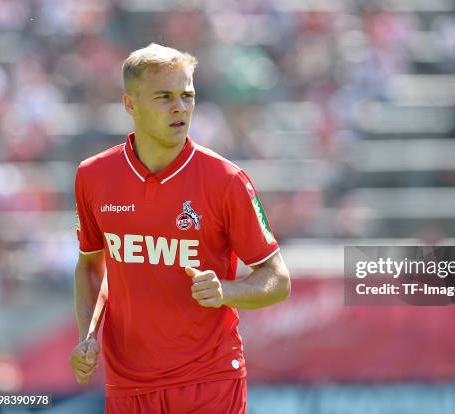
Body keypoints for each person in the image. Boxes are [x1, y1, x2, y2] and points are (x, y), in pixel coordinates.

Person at [69, 43, 291, 414]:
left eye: (187, 96)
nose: (180, 107)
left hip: (209, 380)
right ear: (130, 105)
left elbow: (278, 280)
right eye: (164, 97)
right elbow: (92, 264)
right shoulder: (92, 176)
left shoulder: (226, 180)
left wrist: (227, 291)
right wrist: (88, 336)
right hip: (127, 384)